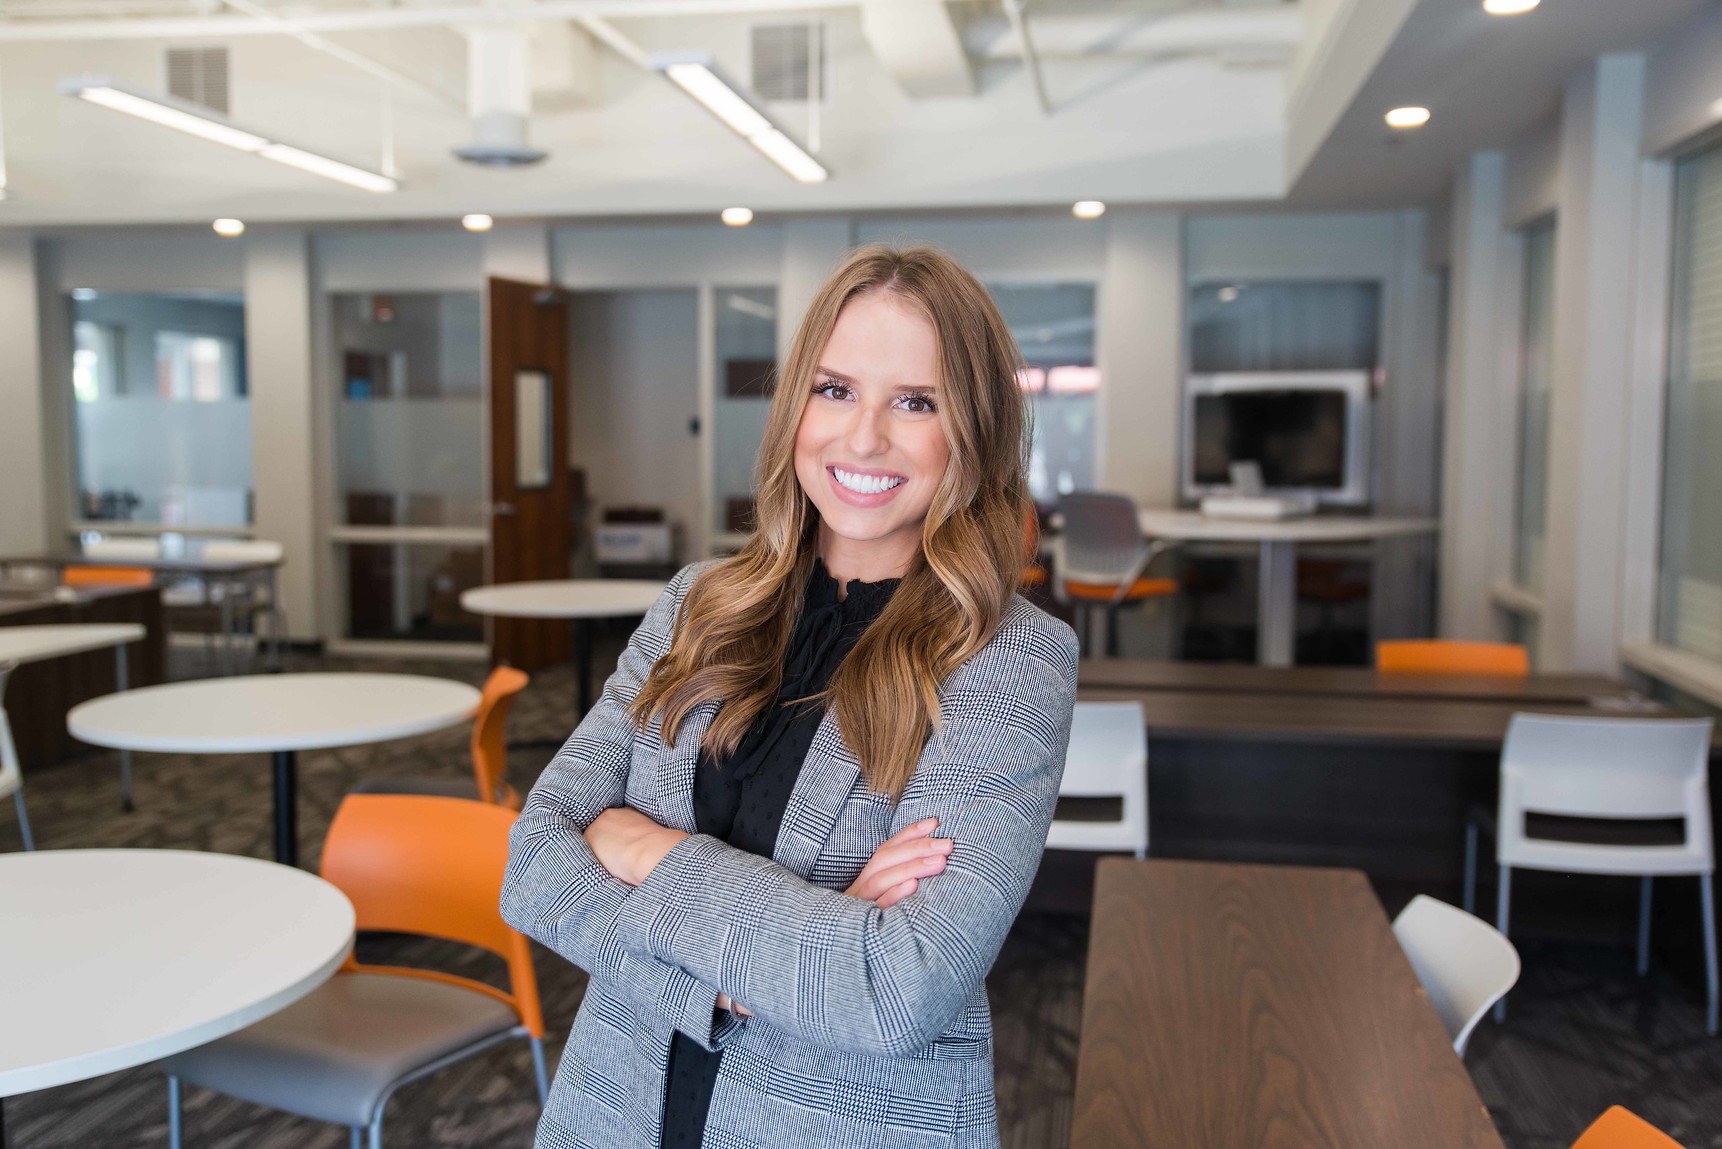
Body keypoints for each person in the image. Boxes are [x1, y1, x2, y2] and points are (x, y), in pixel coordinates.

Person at [501, 244, 1080, 1149]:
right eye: (835, 389)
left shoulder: (1010, 662)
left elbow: (897, 991)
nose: (862, 438)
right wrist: (788, 943)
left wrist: (644, 850)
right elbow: (534, 865)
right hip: (613, 1108)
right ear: (794, 406)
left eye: (916, 402)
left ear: (973, 431)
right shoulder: (698, 605)